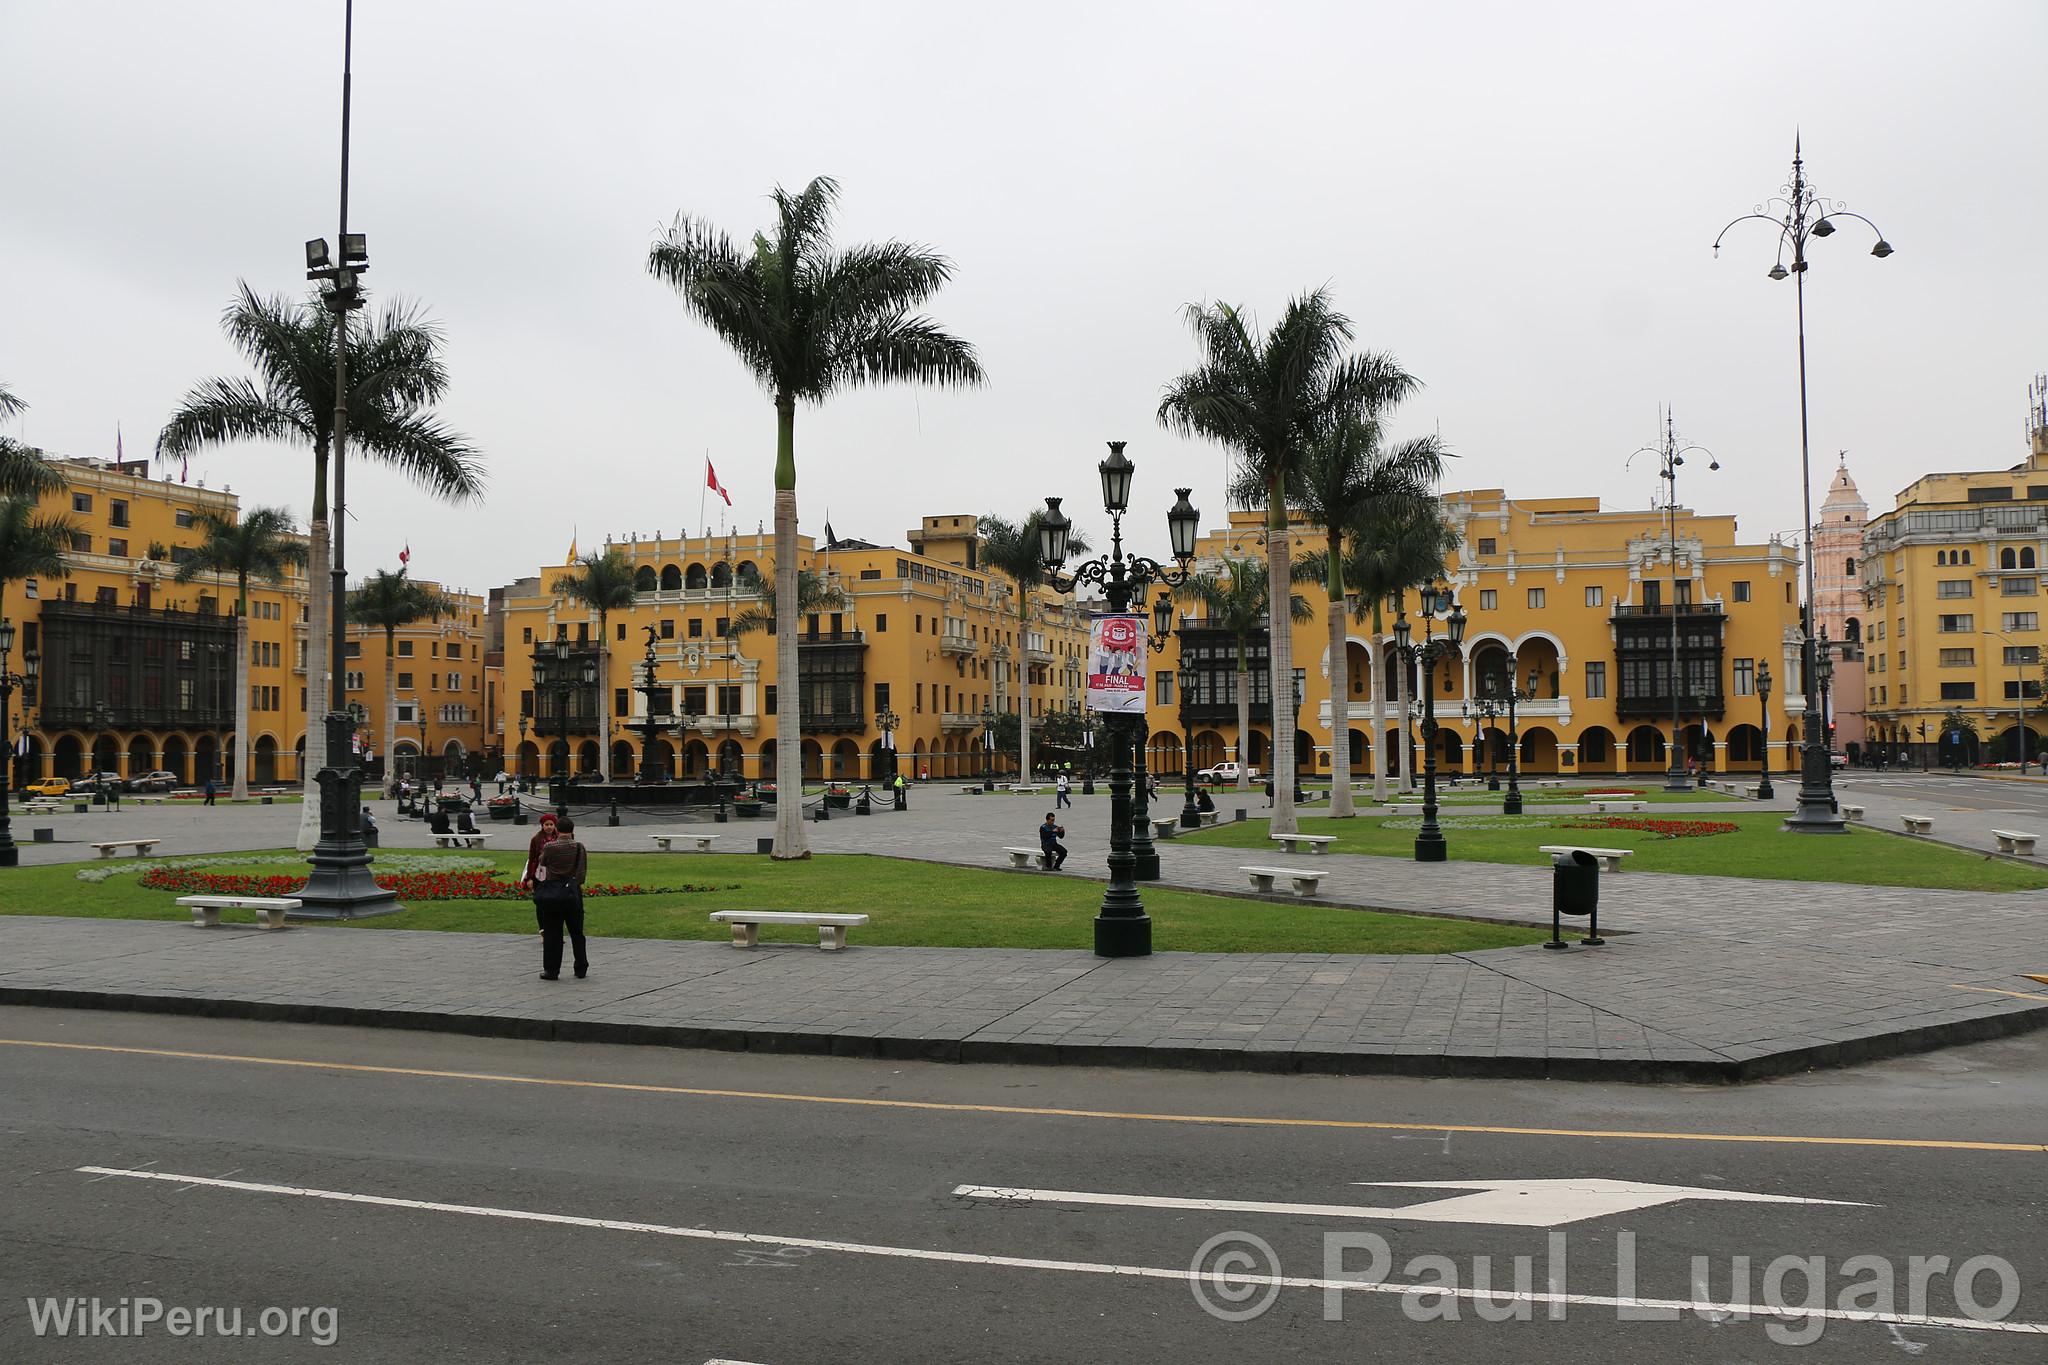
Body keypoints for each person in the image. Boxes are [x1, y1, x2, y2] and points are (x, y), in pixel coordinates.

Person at [533, 815, 590, 980]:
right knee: (577, 932)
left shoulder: (550, 846)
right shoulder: (579, 847)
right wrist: (575, 883)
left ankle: (552, 970)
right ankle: (581, 967)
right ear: (572, 830)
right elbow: (582, 871)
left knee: (553, 932)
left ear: (557, 829)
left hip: (553, 891)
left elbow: (543, 862)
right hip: (572, 891)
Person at [520, 812, 559, 933]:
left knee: (555, 903)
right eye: (546, 824)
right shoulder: (536, 839)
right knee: (540, 902)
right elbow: (532, 859)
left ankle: (554, 930)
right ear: (542, 825)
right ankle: (543, 929)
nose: (549, 827)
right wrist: (529, 877)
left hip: (554, 874)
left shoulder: (559, 838)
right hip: (539, 874)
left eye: (551, 824)